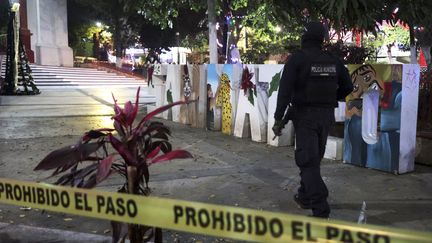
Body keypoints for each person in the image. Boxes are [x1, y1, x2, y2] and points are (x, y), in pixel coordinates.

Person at [272, 21, 353, 218]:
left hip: (305, 116)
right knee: (313, 159)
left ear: (303, 38)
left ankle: (320, 207)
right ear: (321, 39)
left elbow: (284, 92)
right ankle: (305, 196)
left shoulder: (297, 59)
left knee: (307, 161)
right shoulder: (332, 60)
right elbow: (348, 87)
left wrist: (277, 118)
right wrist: (332, 97)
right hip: (325, 116)